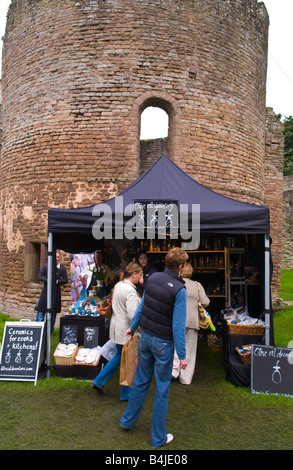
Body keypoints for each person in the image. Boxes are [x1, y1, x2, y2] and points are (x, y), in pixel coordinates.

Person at [120, 247, 188, 448]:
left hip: (146, 338)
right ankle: (158, 438)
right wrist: (182, 355)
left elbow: (142, 306)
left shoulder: (154, 278)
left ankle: (127, 421)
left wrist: (133, 328)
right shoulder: (180, 290)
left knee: (141, 381)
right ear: (181, 267)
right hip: (163, 344)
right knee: (162, 390)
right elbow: (178, 326)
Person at [91, 262, 143, 401]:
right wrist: (140, 328)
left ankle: (99, 381)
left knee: (120, 357)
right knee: (127, 360)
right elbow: (133, 315)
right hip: (126, 330)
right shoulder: (130, 291)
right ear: (134, 274)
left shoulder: (119, 285)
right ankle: (125, 394)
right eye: (140, 274)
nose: (141, 277)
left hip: (116, 327)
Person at [172, 262, 210, 384]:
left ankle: (173, 372)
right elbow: (206, 302)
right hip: (193, 320)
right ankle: (186, 378)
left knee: (175, 346)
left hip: (178, 319)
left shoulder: (175, 284)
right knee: (190, 349)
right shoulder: (197, 285)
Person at [35, 251, 68, 334]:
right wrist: (47, 280)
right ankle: (37, 332)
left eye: (57, 257)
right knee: (41, 313)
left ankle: (49, 332)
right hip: (45, 292)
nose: (56, 259)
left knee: (53, 314)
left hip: (55, 293)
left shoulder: (62, 268)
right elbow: (39, 276)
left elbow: (65, 280)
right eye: (55, 257)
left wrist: (58, 281)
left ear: (59, 258)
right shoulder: (46, 266)